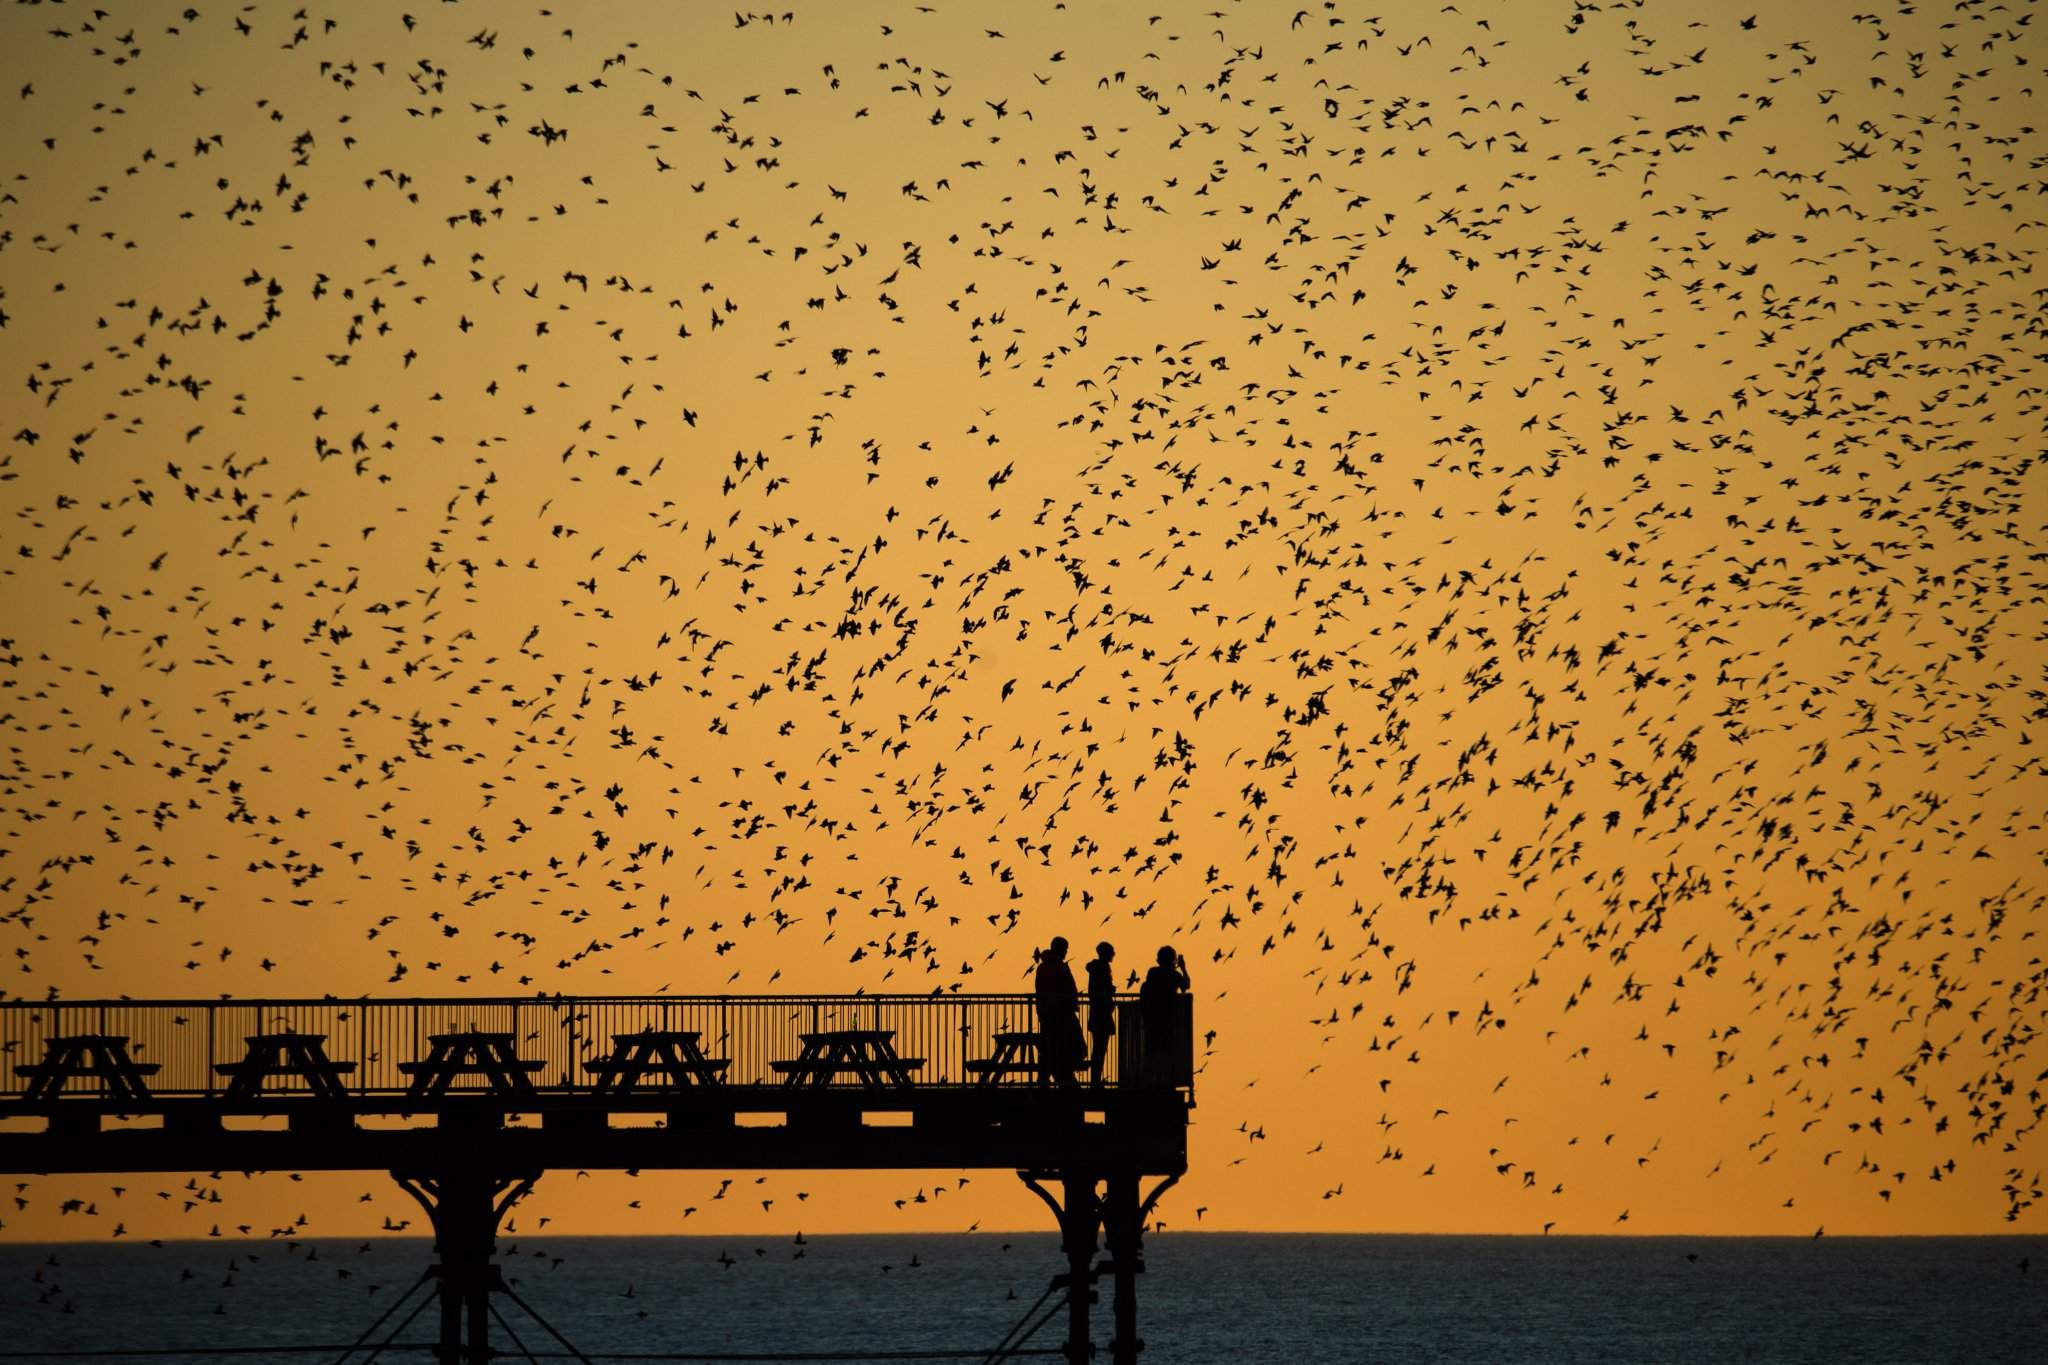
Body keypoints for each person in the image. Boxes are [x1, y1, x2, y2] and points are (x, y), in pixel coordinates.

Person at [1033, 936, 1083, 1088]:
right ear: (1060, 949)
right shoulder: (1059, 966)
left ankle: (1049, 1077)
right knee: (1065, 1046)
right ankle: (1064, 1077)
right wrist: (1070, 1002)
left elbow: (1041, 990)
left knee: (1050, 1047)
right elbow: (1065, 987)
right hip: (1060, 1013)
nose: (1066, 952)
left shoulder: (1043, 967)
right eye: (1065, 949)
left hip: (1047, 1013)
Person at [1138, 945, 1190, 1086]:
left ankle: (1150, 1080)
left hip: (1152, 1018)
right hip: (1168, 1018)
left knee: (1152, 1050)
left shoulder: (1152, 972)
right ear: (1173, 960)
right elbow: (1186, 985)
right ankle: (1164, 1081)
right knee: (1166, 1051)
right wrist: (1183, 968)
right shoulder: (1174, 975)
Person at [1085, 941, 1117, 1087]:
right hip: (1102, 1015)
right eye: (1112, 952)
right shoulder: (1103, 968)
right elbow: (1103, 990)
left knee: (1097, 1049)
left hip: (1096, 1013)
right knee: (1100, 1050)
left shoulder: (1095, 968)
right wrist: (1110, 990)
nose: (1114, 954)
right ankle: (1095, 1080)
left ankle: (1095, 1079)